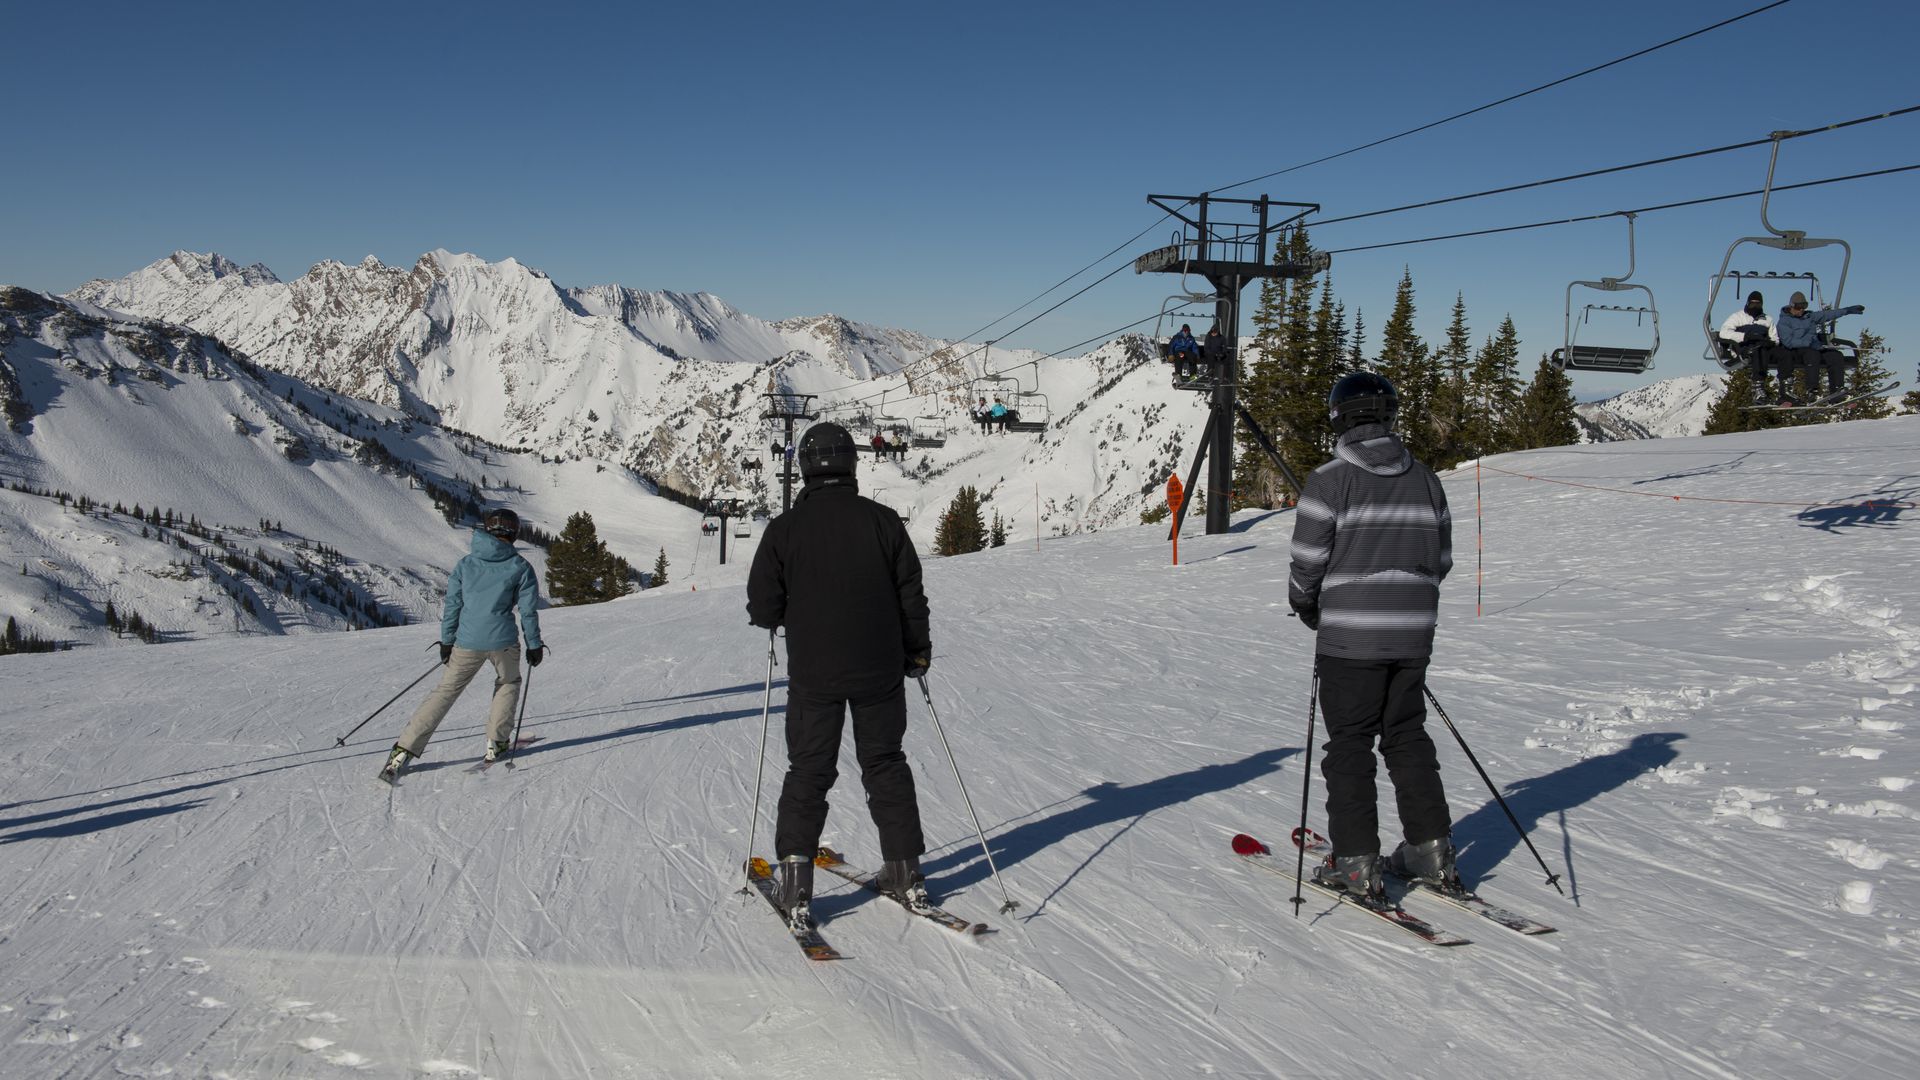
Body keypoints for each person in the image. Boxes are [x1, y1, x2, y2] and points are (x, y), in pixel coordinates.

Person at [746, 422, 933, 932]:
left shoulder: (785, 529)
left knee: (809, 771)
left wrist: (784, 611)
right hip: (880, 670)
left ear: (805, 468)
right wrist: (917, 652)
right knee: (885, 763)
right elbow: (909, 595)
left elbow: (763, 606)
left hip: (815, 674)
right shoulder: (884, 522)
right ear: (851, 464)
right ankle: (904, 871)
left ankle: (797, 885)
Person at [1287, 372, 1458, 904]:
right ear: (1389, 416)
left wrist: (1307, 605)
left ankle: (1356, 863)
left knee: (1351, 744)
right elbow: (1442, 560)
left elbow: (1308, 562)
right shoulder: (1427, 479)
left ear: (1339, 418)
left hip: (1351, 638)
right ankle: (1430, 852)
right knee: (1406, 734)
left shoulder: (1330, 480)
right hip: (1413, 634)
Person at [383, 508, 545, 779]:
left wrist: (447, 641)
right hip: (504, 640)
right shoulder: (520, 567)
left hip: (467, 641)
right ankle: (496, 743)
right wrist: (534, 644)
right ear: (514, 532)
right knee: (508, 683)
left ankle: (403, 751)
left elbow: (453, 606)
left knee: (445, 692)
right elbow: (528, 611)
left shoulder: (466, 565)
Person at [1775, 291, 1865, 406]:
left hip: (1814, 348)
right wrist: (1807, 342)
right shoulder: (1784, 321)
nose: (1801, 310)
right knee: (1812, 355)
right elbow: (1788, 341)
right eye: (1798, 307)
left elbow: (1828, 314)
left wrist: (1846, 310)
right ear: (1792, 306)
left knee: (1835, 356)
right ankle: (1812, 390)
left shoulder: (1810, 317)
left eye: (1804, 306)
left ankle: (1837, 390)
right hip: (1796, 351)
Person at [1717, 290, 1786, 405]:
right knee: (1757, 351)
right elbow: (1724, 333)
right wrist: (1745, 336)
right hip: (1744, 348)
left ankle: (1785, 390)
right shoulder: (1738, 317)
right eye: (1752, 303)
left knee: (1784, 354)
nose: (1755, 306)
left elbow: (1774, 338)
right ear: (1748, 303)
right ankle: (1758, 388)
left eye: (1758, 304)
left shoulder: (1767, 319)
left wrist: (1770, 342)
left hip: (1763, 348)